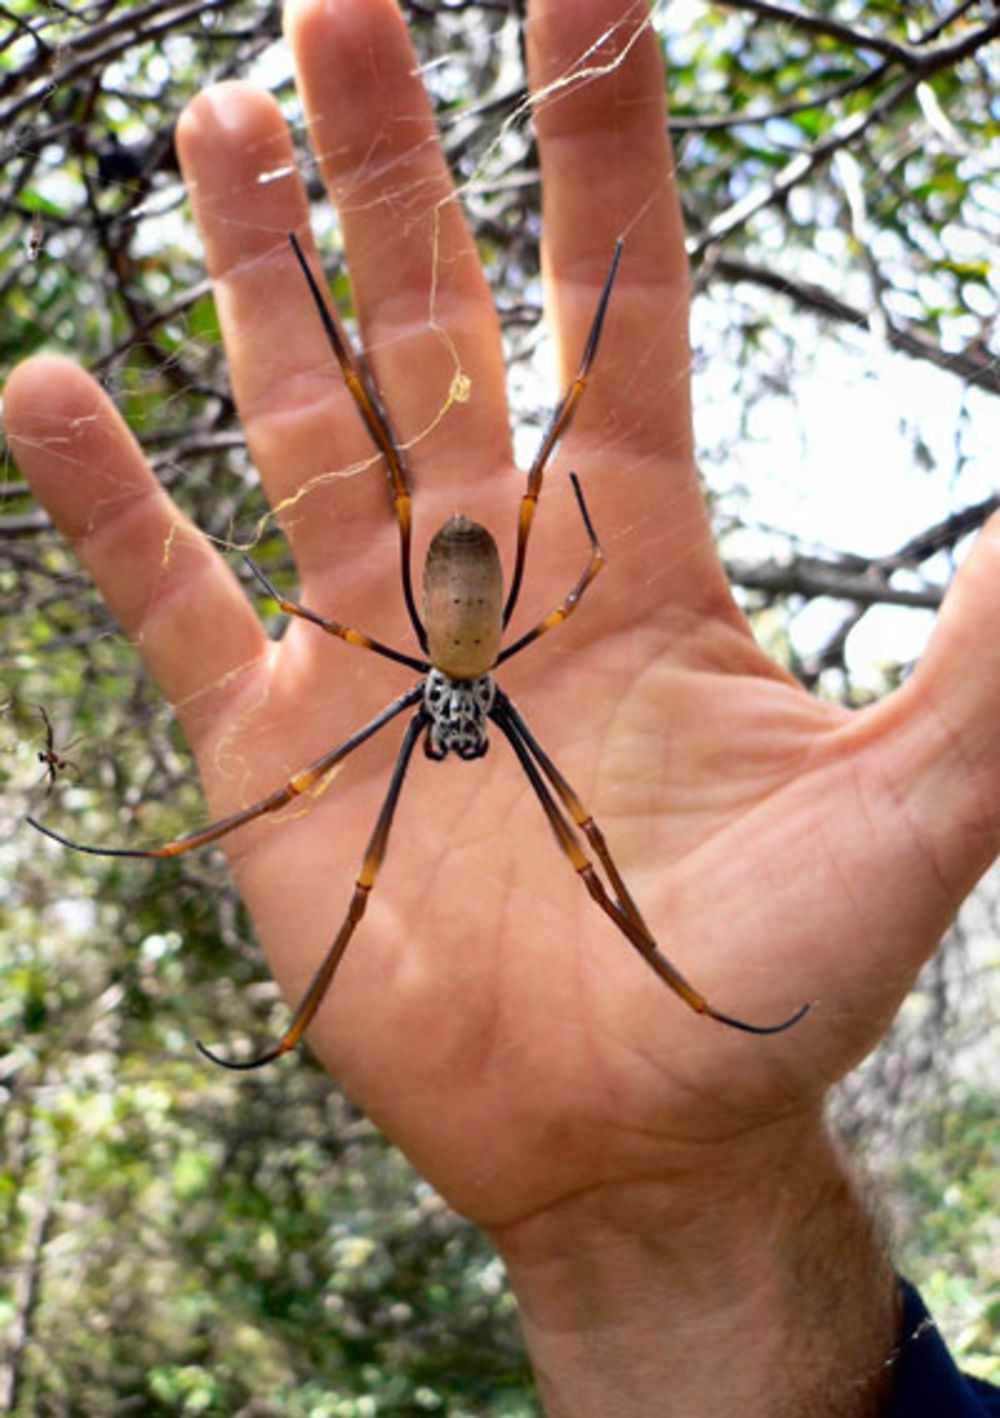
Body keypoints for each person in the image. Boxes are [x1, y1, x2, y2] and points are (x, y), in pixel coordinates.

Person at [6, 0, 1000, 1411]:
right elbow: (385, 678)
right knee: (353, 799)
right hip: (456, 632)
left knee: (553, 793)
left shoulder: (446, 683)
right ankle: (292, 246)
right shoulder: (434, 686)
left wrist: (695, 1175)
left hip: (457, 629)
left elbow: (524, 600)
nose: (458, 745)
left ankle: (668, 980)